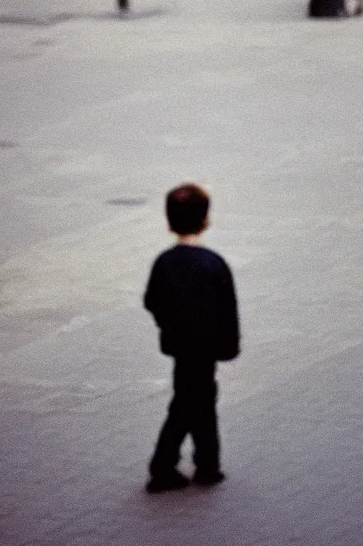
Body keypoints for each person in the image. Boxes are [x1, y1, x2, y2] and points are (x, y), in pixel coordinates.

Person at [144, 183, 240, 493]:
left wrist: (167, 324)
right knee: (189, 404)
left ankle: (208, 464)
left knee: (199, 399)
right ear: (205, 220)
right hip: (206, 348)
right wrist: (229, 346)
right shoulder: (213, 264)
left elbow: (151, 300)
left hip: (179, 345)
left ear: (169, 221)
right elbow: (228, 310)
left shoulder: (164, 262)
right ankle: (163, 466)